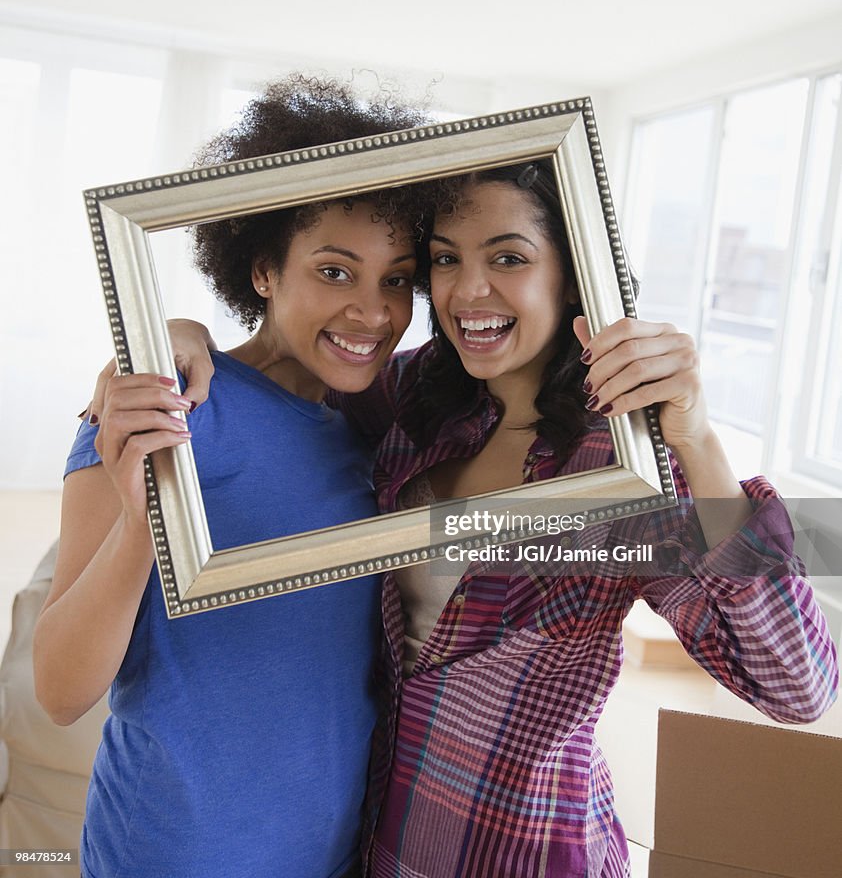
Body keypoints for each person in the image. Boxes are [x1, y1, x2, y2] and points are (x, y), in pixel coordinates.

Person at [163, 160, 838, 878]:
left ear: (572, 279)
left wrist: (699, 442)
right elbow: (296, 370)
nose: (469, 290)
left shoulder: (619, 467)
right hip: (383, 840)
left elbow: (797, 687)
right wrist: (182, 337)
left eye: (508, 258)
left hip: (526, 850)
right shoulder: (415, 394)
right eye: (447, 260)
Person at [32, 75, 439, 878]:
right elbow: (59, 688)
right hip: (170, 854)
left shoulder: (377, 435)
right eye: (334, 271)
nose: (372, 311)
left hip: (326, 857)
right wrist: (147, 520)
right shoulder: (165, 407)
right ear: (261, 270)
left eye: (396, 279)